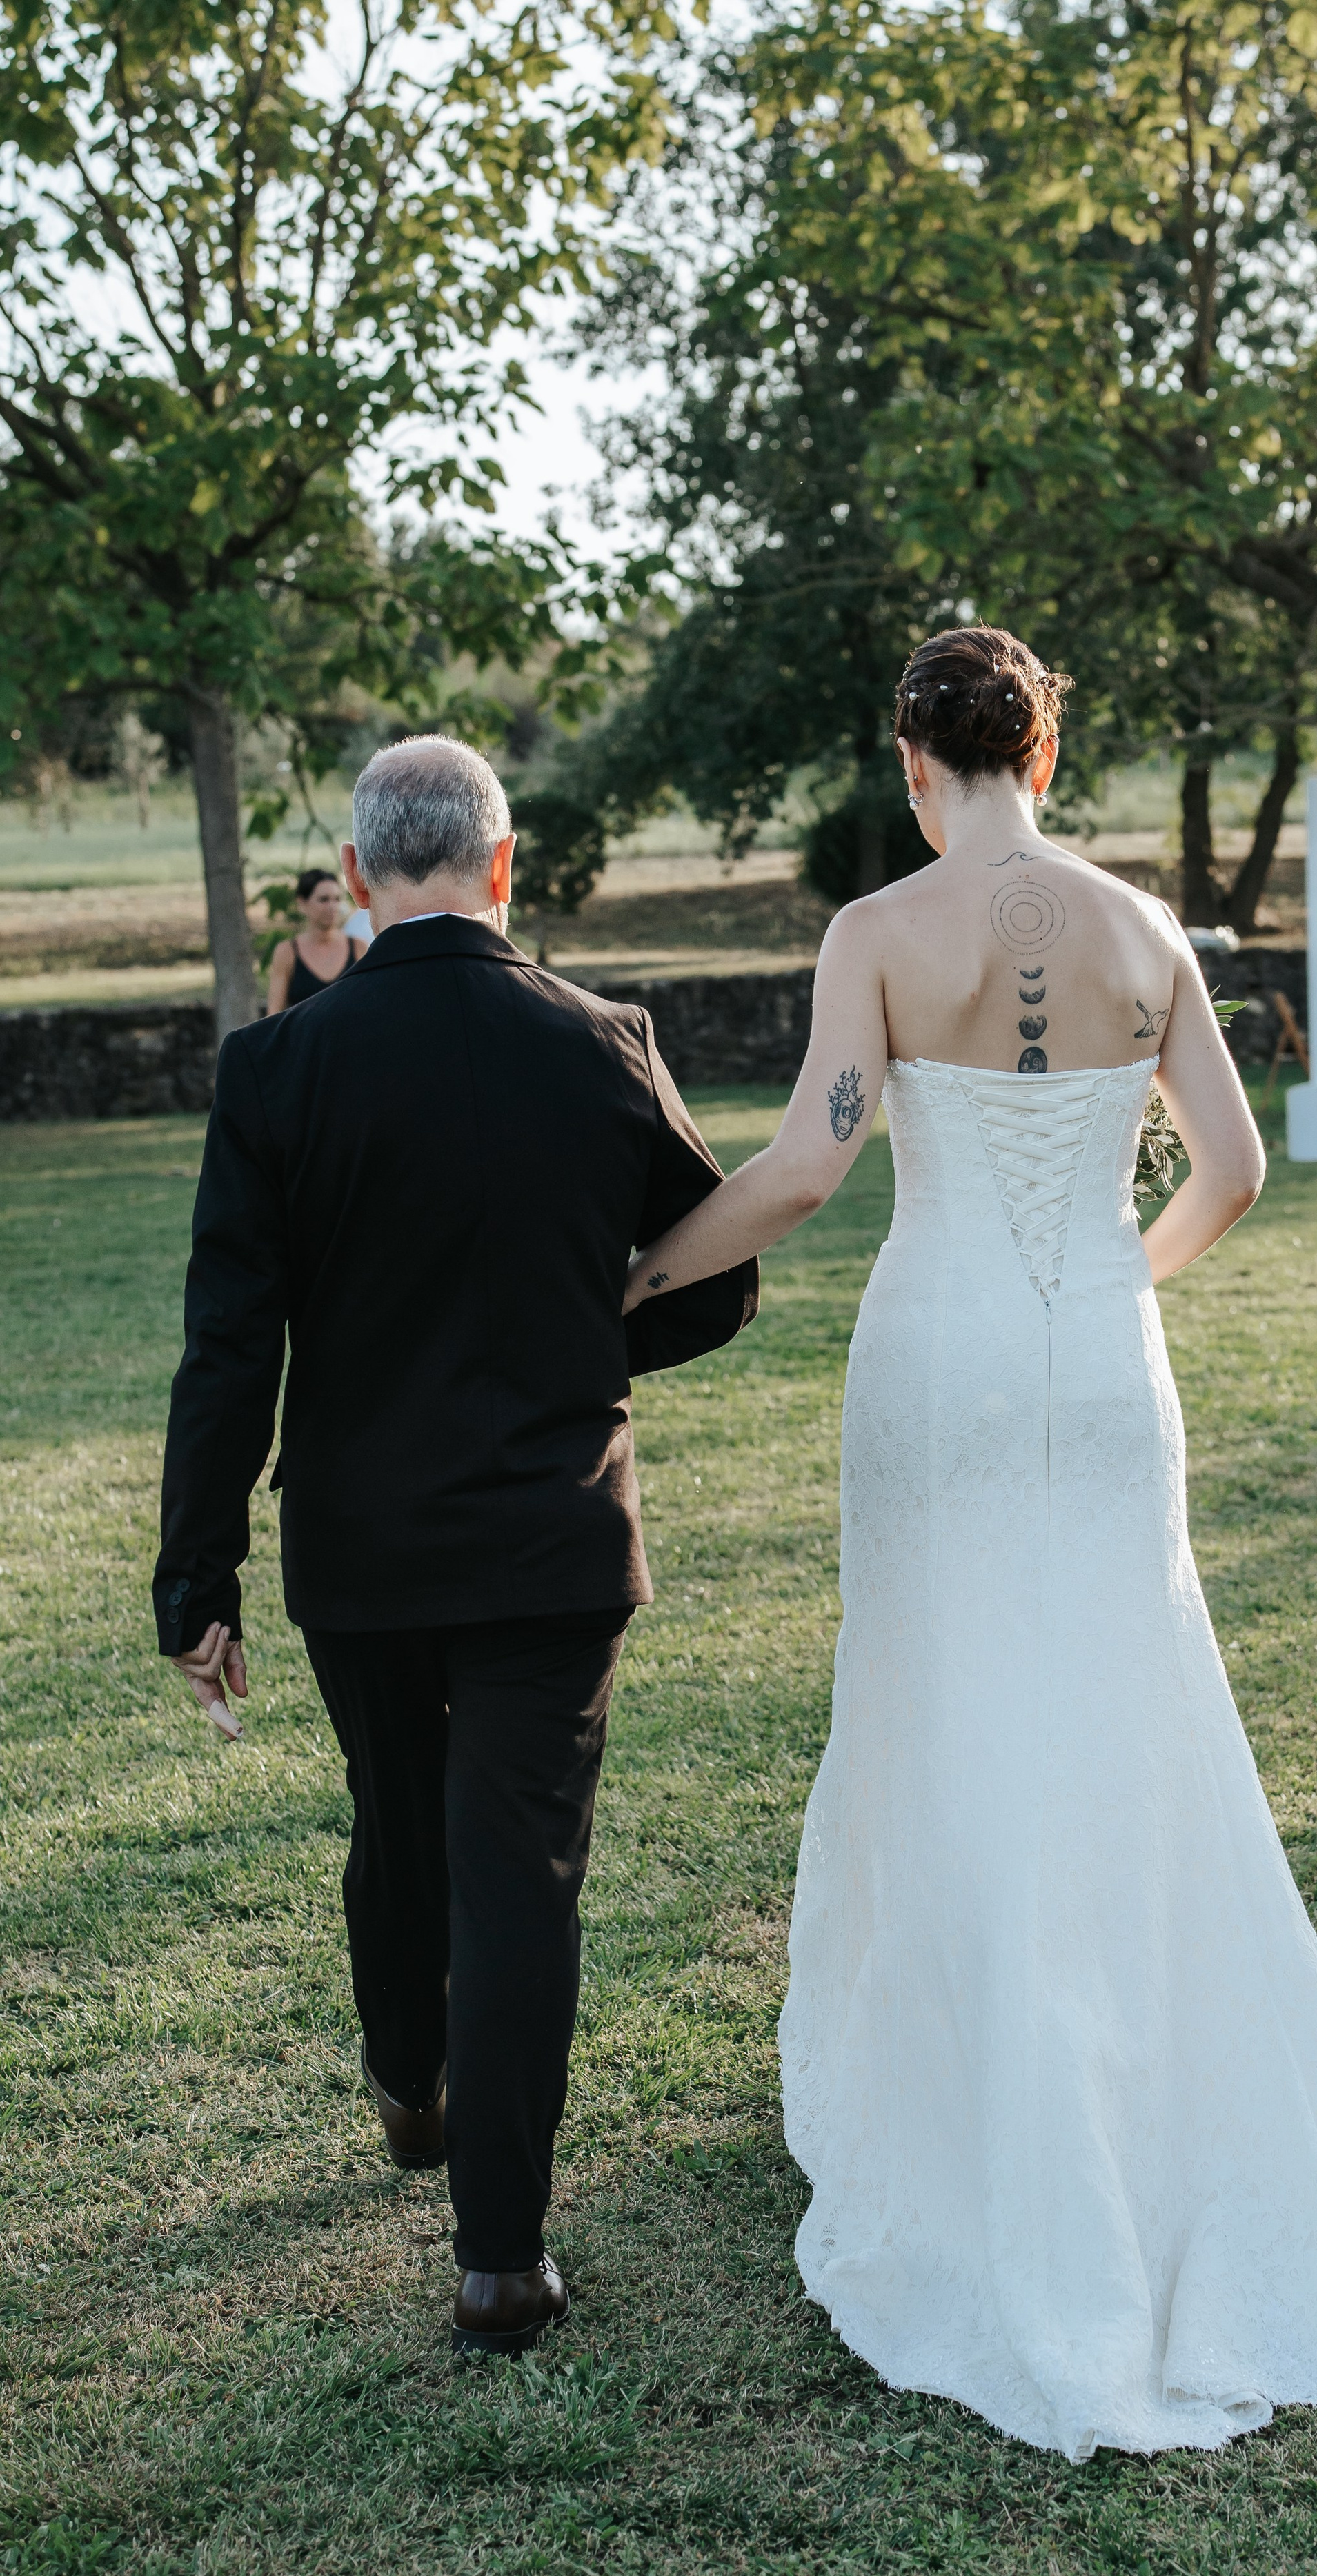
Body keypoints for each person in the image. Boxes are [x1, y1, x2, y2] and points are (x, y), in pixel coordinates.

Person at [622, 626, 1317, 2460]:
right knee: (1126, 1728)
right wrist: (1110, 1295)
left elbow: (812, 1167)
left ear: (917, 759)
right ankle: (1146, 2108)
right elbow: (1234, 1171)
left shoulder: (877, 935)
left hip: (941, 1364)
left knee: (946, 1720)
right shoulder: (1146, 935)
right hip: (1102, 1381)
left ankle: (986, 2119)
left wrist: (648, 1269)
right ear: (1041, 751)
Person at [154, 737, 757, 2356]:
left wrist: (192, 1583)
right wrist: (581, 1342)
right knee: (519, 1874)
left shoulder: (278, 1067)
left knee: (398, 1821)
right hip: (551, 1534)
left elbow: (229, 1347)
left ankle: (409, 2080)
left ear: (359, 880)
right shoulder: (600, 1042)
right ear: (506, 868)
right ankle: (498, 2256)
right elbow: (713, 1278)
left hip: (358, 1547)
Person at [265, 866, 359, 1010]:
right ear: (302, 904)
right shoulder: (287, 952)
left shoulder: (359, 947)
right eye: (324, 900)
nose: (332, 906)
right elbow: (274, 1013)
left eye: (337, 899)